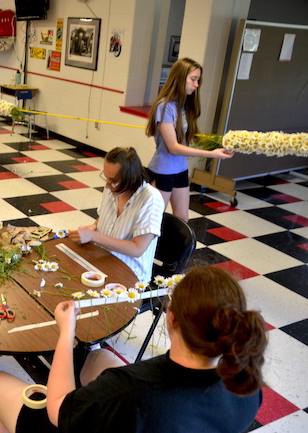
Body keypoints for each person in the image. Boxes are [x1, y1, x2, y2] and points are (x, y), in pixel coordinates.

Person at [0, 266, 268, 433]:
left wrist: (66, 332)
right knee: (98, 358)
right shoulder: (245, 382)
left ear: (172, 319)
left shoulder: (126, 392)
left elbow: (57, 410)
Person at [146, 57, 234, 222]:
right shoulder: (164, 107)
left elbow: (188, 140)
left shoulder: (184, 106)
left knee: (182, 218)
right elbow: (174, 147)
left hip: (180, 169)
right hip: (163, 171)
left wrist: (220, 143)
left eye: (198, 80)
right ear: (179, 78)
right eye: (193, 79)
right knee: (154, 221)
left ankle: (173, 248)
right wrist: (212, 154)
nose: (196, 85)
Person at [69, 147, 165, 282]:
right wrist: (93, 226)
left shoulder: (151, 199)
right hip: (103, 259)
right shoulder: (113, 187)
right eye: (106, 178)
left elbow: (137, 249)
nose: (107, 185)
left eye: (113, 180)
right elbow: (105, 218)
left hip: (130, 275)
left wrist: (93, 236)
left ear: (132, 179)